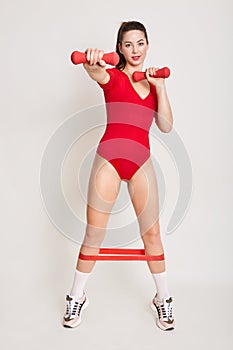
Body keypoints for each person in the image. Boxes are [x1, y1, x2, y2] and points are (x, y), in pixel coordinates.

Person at [63, 21, 175, 331]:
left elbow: (165, 125)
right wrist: (92, 60)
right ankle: (76, 296)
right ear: (120, 48)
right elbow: (94, 71)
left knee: (152, 235)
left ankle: (162, 300)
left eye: (140, 43)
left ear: (148, 45)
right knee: (93, 235)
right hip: (109, 162)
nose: (135, 50)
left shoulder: (153, 83)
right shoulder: (111, 76)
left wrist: (161, 88)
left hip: (141, 162)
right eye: (128, 44)